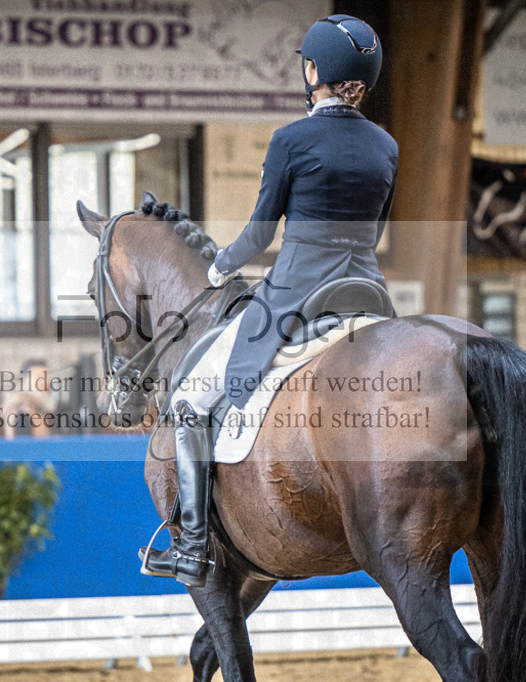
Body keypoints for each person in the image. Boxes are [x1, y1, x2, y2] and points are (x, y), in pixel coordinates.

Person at [141, 14, 398, 588]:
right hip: (366, 294)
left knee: (190, 401)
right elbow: (373, 234)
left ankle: (193, 545)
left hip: (297, 293)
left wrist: (220, 264)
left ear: (313, 71)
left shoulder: (291, 140)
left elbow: (260, 235)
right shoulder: (386, 145)